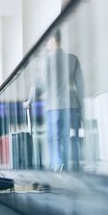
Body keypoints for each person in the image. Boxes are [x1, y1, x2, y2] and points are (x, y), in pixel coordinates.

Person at [27, 30, 84, 171]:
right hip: (72, 105)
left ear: (53, 40)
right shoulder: (73, 59)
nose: (46, 44)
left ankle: (57, 165)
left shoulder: (45, 61)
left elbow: (39, 84)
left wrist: (29, 101)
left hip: (54, 106)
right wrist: (82, 105)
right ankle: (74, 165)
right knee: (71, 138)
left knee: (54, 138)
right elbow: (80, 85)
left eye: (47, 41)